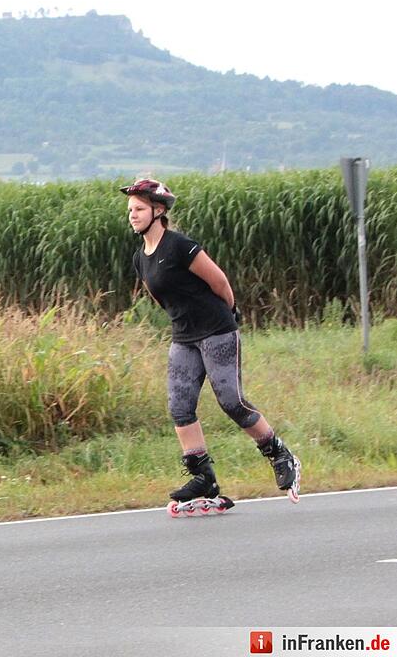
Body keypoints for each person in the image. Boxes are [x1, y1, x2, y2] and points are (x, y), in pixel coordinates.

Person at [121, 178, 301, 509]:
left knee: (231, 401)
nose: (132, 215)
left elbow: (219, 282)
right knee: (179, 406)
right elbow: (161, 298)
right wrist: (183, 323)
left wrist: (229, 314)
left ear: (158, 211)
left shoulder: (180, 246)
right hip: (184, 336)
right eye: (130, 209)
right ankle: (204, 477)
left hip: (217, 330)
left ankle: (280, 455)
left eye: (139, 209)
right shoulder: (140, 258)